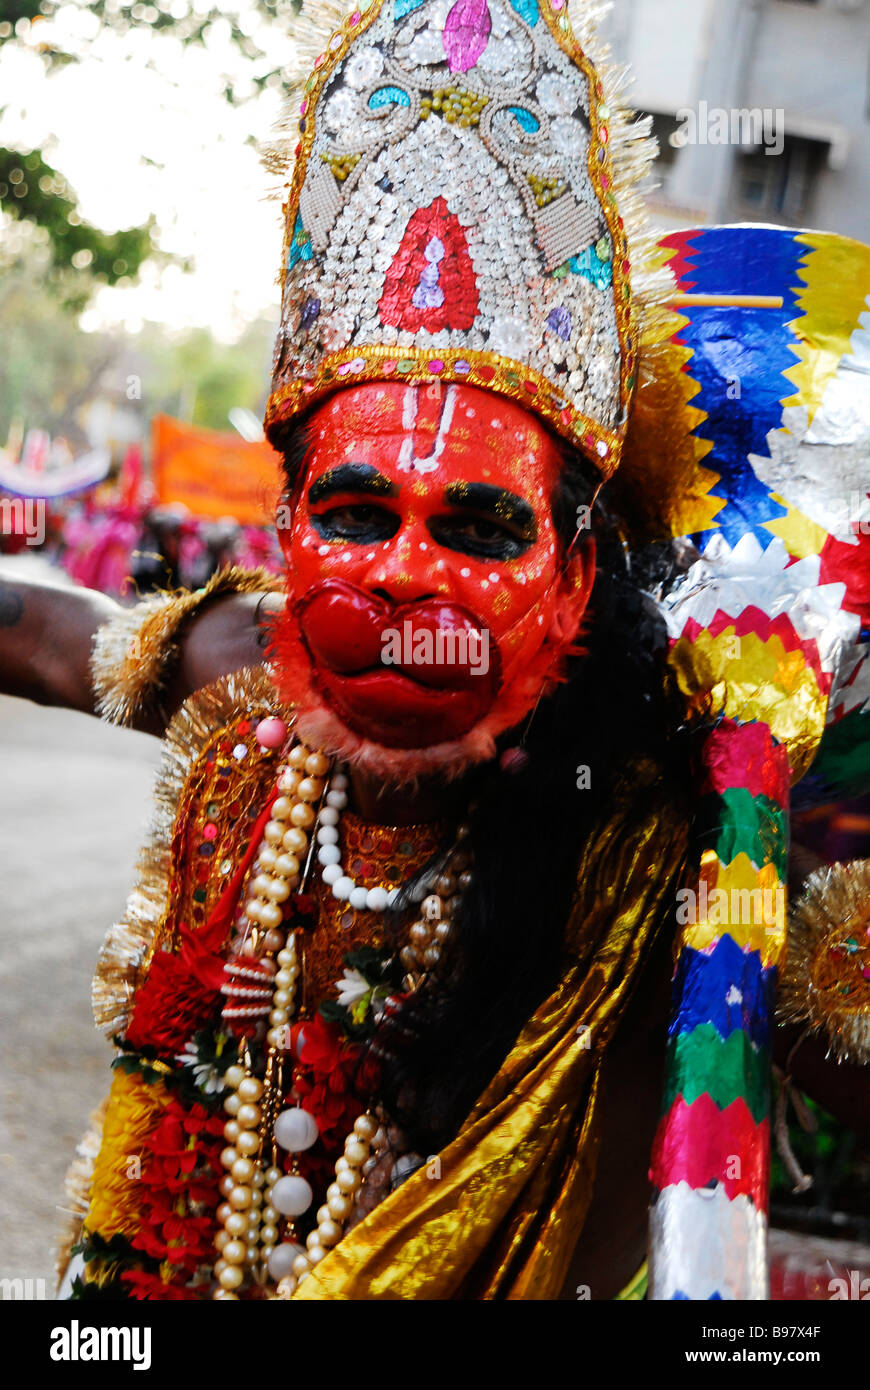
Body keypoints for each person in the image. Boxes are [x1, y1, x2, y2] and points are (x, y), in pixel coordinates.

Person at [2, 0, 868, 1301]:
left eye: (475, 523)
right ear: (285, 528)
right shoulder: (240, 672)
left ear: (574, 573)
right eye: (356, 514)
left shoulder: (663, 835)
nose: (404, 567)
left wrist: (763, 821)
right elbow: (34, 627)